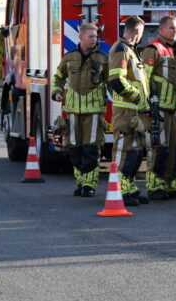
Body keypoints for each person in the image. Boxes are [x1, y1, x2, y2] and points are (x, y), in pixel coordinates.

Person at [51, 22, 109, 197]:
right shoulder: (69, 57)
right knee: (74, 149)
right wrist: (56, 92)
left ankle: (89, 185)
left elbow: (111, 81)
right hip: (73, 111)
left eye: (96, 36)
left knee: (91, 149)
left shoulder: (102, 58)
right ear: (81, 37)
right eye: (91, 36)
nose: (94, 39)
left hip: (94, 111)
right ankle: (80, 181)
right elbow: (59, 76)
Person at [139, 15, 176, 200]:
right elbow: (143, 80)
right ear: (161, 30)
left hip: (173, 110)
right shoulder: (153, 49)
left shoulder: (174, 51)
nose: (175, 31)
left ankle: (174, 185)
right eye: (171, 28)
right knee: (159, 148)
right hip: (159, 109)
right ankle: (156, 186)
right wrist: (147, 106)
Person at [108, 16, 150, 205]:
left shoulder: (131, 51)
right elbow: (117, 80)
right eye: (140, 33)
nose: (141, 38)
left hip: (135, 112)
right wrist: (136, 96)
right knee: (123, 151)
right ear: (135, 32)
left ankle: (130, 188)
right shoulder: (121, 50)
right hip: (126, 111)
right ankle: (118, 190)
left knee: (134, 152)